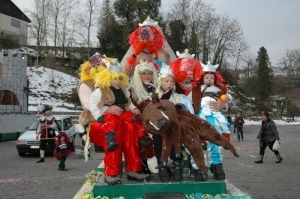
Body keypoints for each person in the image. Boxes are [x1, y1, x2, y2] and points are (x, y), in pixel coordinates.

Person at [170, 50, 231, 181]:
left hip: (213, 117)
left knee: (215, 140)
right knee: (197, 141)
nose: (188, 76)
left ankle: (216, 165)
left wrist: (222, 104)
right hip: (194, 119)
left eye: (191, 72)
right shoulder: (174, 86)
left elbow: (225, 99)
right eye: (184, 72)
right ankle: (198, 167)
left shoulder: (203, 87)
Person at [88, 60, 151, 185]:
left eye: (119, 78)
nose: (117, 81)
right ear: (107, 78)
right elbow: (92, 105)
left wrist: (133, 109)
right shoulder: (101, 90)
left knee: (131, 133)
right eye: (114, 78)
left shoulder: (123, 89)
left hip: (123, 116)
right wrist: (103, 112)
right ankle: (111, 173)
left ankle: (134, 169)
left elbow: (129, 103)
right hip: (111, 119)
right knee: (114, 143)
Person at [154, 63, 195, 181]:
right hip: (160, 128)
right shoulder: (155, 97)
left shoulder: (180, 97)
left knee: (175, 145)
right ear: (161, 83)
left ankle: (178, 167)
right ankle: (162, 168)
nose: (169, 84)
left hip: (176, 128)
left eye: (171, 82)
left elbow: (189, 113)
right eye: (166, 81)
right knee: (158, 142)